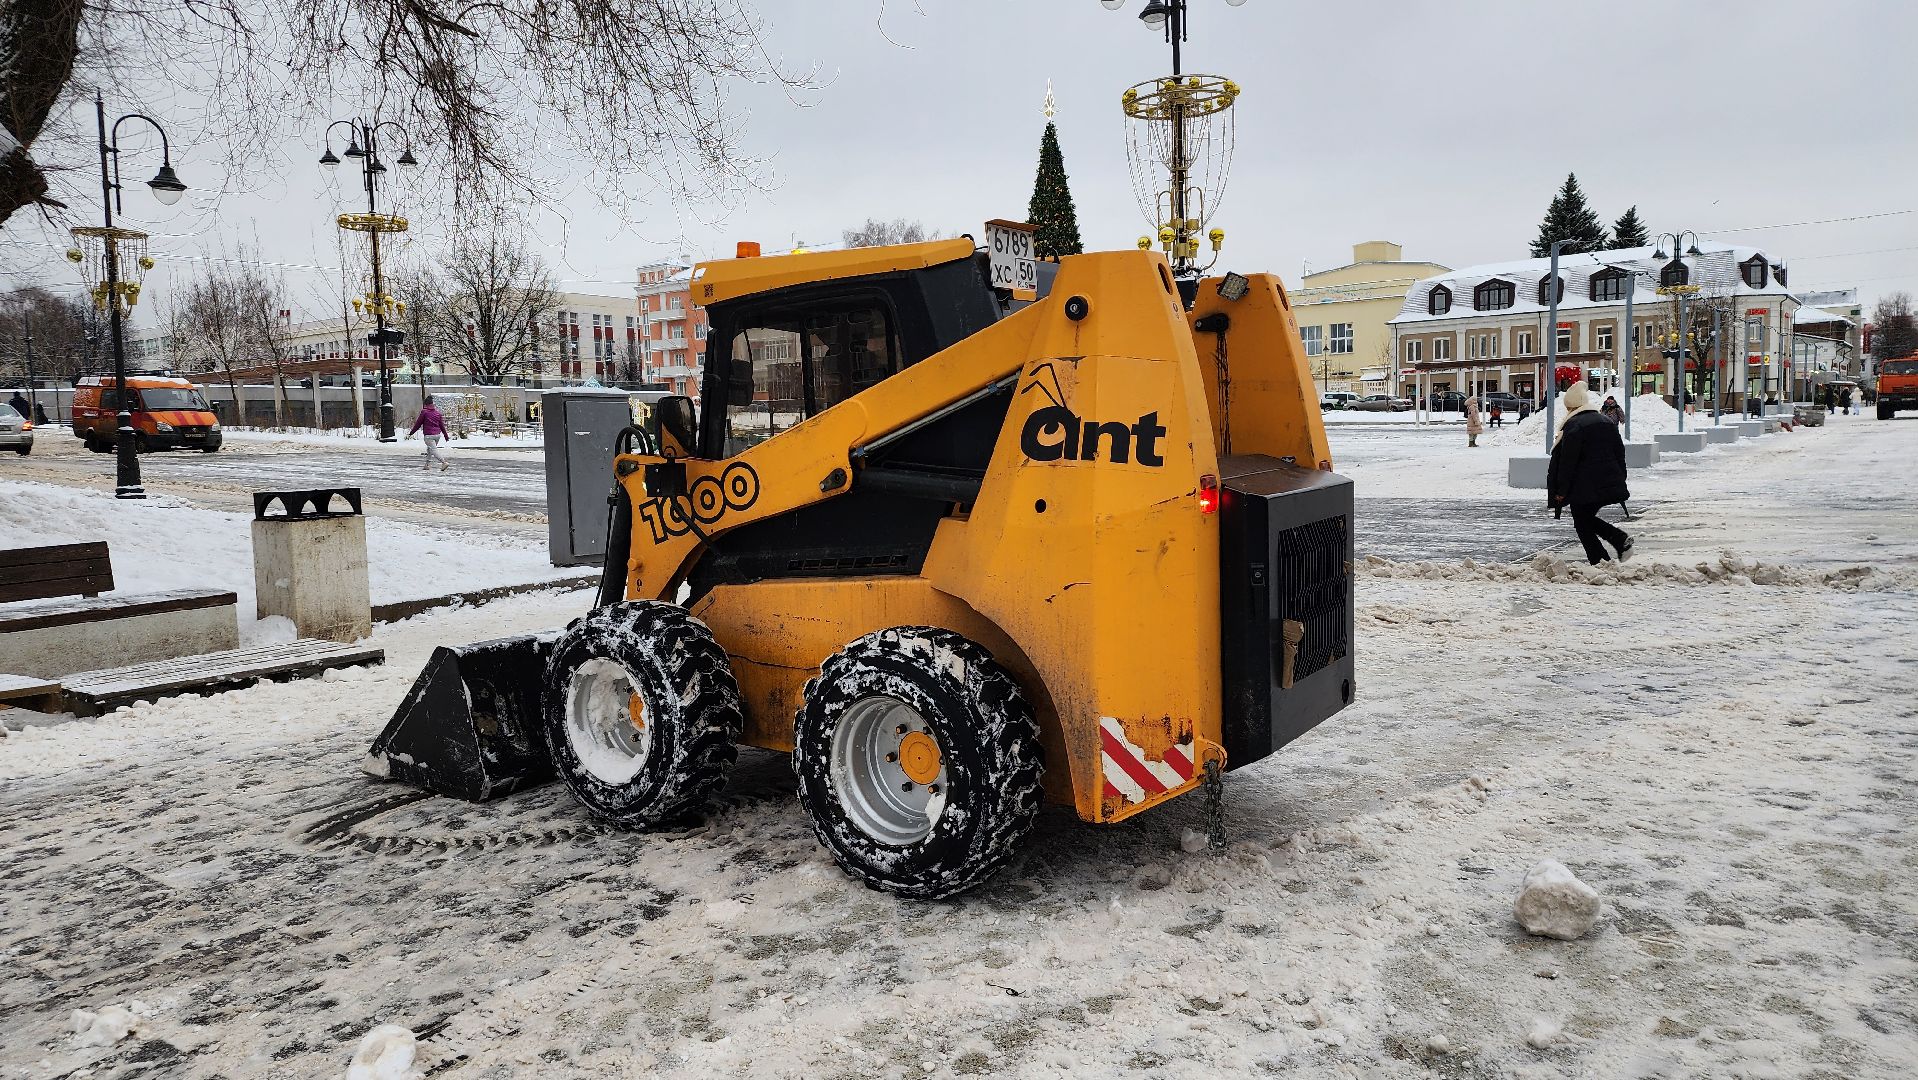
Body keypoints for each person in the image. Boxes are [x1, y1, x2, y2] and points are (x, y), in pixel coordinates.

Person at [1548, 382, 1634, 567]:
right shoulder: (1605, 421)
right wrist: (1620, 476)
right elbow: (1619, 452)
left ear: (1572, 406)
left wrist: (1561, 491)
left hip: (1585, 486)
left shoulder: (1574, 426)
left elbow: (1568, 462)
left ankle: (1607, 554)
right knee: (1584, 520)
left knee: (1582, 522)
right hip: (1607, 480)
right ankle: (1613, 548)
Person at [408, 395, 451, 472]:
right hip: (437, 435)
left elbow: (418, 423)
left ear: (425, 404)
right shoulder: (437, 413)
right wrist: (446, 436)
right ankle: (427, 465)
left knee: (433, 450)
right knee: (430, 449)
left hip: (429, 436)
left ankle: (444, 462)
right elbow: (442, 426)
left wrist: (411, 432)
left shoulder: (424, 412)